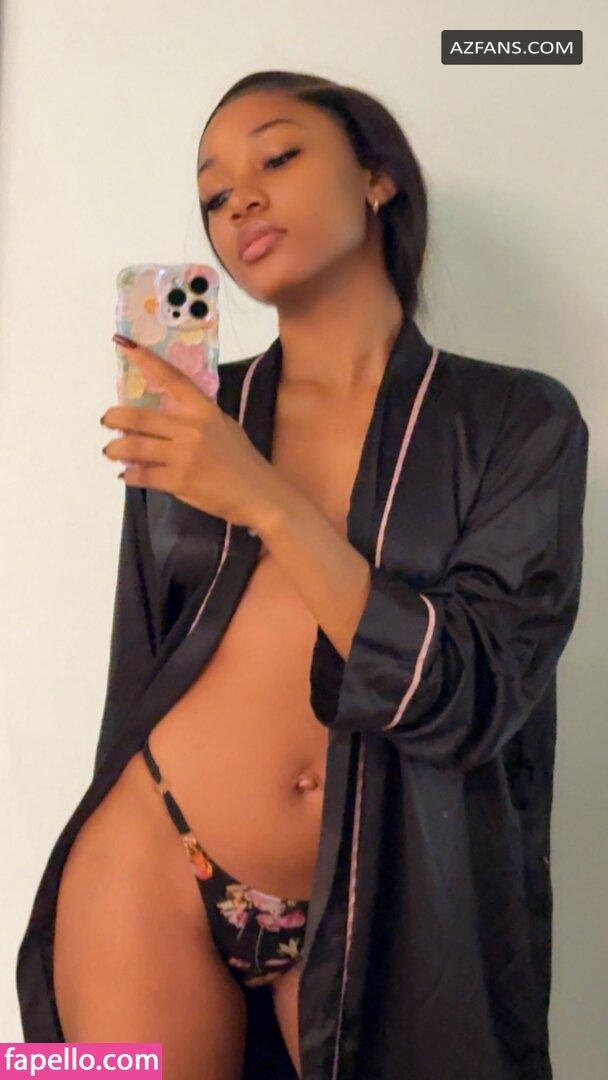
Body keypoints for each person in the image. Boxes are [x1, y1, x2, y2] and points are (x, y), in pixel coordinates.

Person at [16, 71, 589, 1080]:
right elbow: (143, 657)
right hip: (151, 860)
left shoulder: (516, 419)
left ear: (377, 178)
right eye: (212, 193)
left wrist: (266, 500)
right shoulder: (200, 419)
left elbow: (475, 692)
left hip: (394, 901)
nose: (239, 199)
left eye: (276, 157)